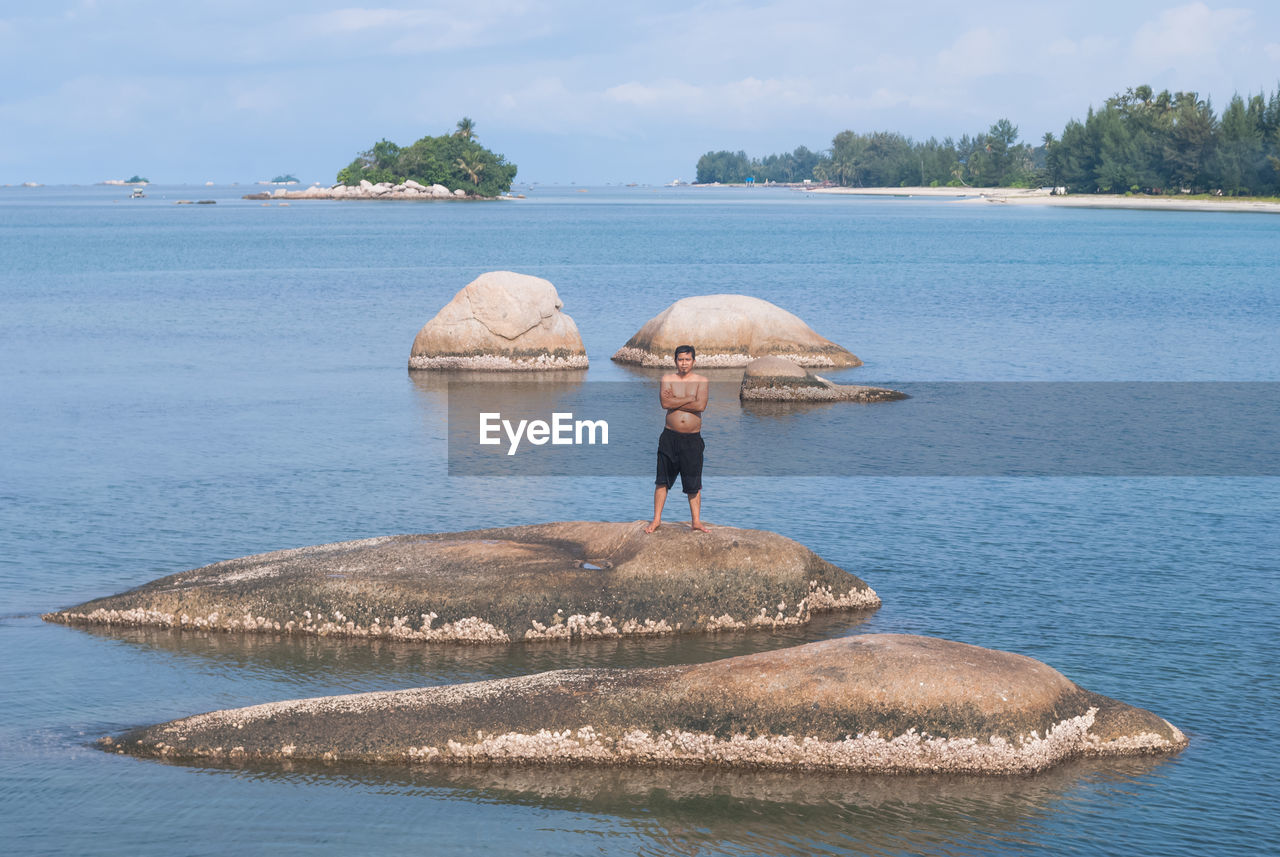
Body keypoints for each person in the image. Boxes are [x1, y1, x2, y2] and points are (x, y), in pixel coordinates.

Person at [645, 344, 710, 533]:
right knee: (662, 481)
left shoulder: (701, 381)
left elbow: (701, 406)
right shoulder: (667, 379)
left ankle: (696, 521)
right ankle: (656, 519)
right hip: (669, 437)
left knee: (693, 483)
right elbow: (665, 403)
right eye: (680, 359)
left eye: (687, 359)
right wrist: (689, 398)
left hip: (692, 439)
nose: (684, 363)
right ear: (675, 361)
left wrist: (677, 402)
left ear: (694, 361)